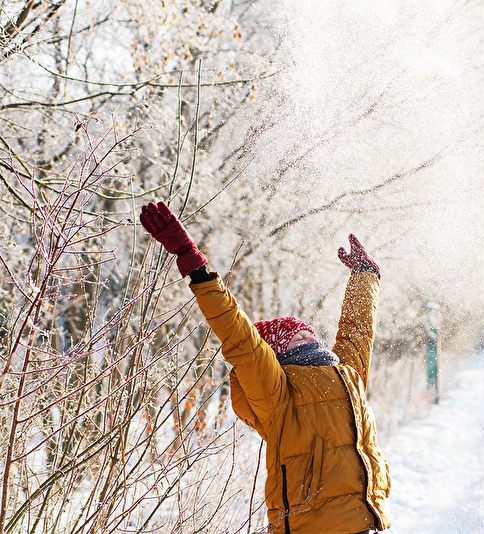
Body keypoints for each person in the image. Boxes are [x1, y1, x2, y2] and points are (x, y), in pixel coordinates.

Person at [140, 201, 391, 534]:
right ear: (276, 354)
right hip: (314, 526)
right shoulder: (277, 394)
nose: (306, 335)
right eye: (294, 334)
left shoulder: (346, 375)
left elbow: (358, 332)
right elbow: (240, 338)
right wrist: (194, 264)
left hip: (365, 519)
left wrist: (365, 275)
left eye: (306, 332)